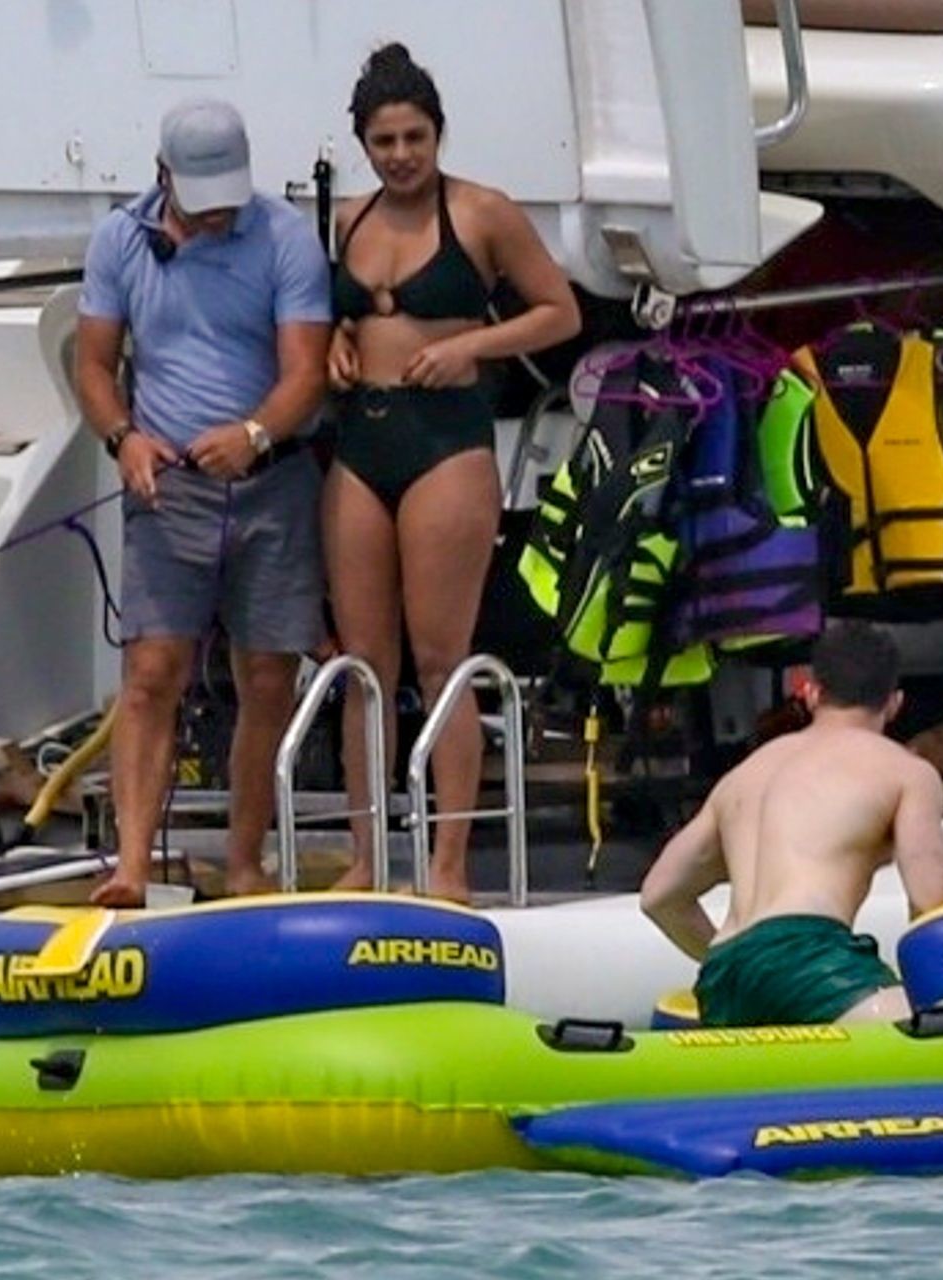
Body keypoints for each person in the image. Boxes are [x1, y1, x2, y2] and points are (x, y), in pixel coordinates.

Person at [324, 44, 580, 902]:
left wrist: (472, 344)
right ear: (363, 144)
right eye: (384, 141)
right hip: (363, 438)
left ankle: (448, 864)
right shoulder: (348, 218)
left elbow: (558, 312)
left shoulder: (481, 212)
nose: (401, 155)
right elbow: (337, 317)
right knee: (364, 667)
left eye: (415, 138)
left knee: (441, 658)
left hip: (446, 441)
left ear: (439, 135)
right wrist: (336, 343)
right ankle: (366, 859)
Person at [75, 98, 332, 907]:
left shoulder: (285, 237)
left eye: (228, 192)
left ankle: (245, 859)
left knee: (267, 674)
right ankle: (131, 866)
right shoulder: (119, 240)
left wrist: (254, 432)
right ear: (164, 175)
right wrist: (123, 438)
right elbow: (93, 364)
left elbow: (306, 372)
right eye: (202, 195)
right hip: (169, 482)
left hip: (271, 479)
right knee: (152, 670)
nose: (219, 210)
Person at [639, 620, 943, 1027]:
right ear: (894, 703)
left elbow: (659, 895)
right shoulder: (905, 771)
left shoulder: (744, 775)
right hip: (811, 957)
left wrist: (739, 961)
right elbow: (931, 904)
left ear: (810, 692)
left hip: (725, 974)